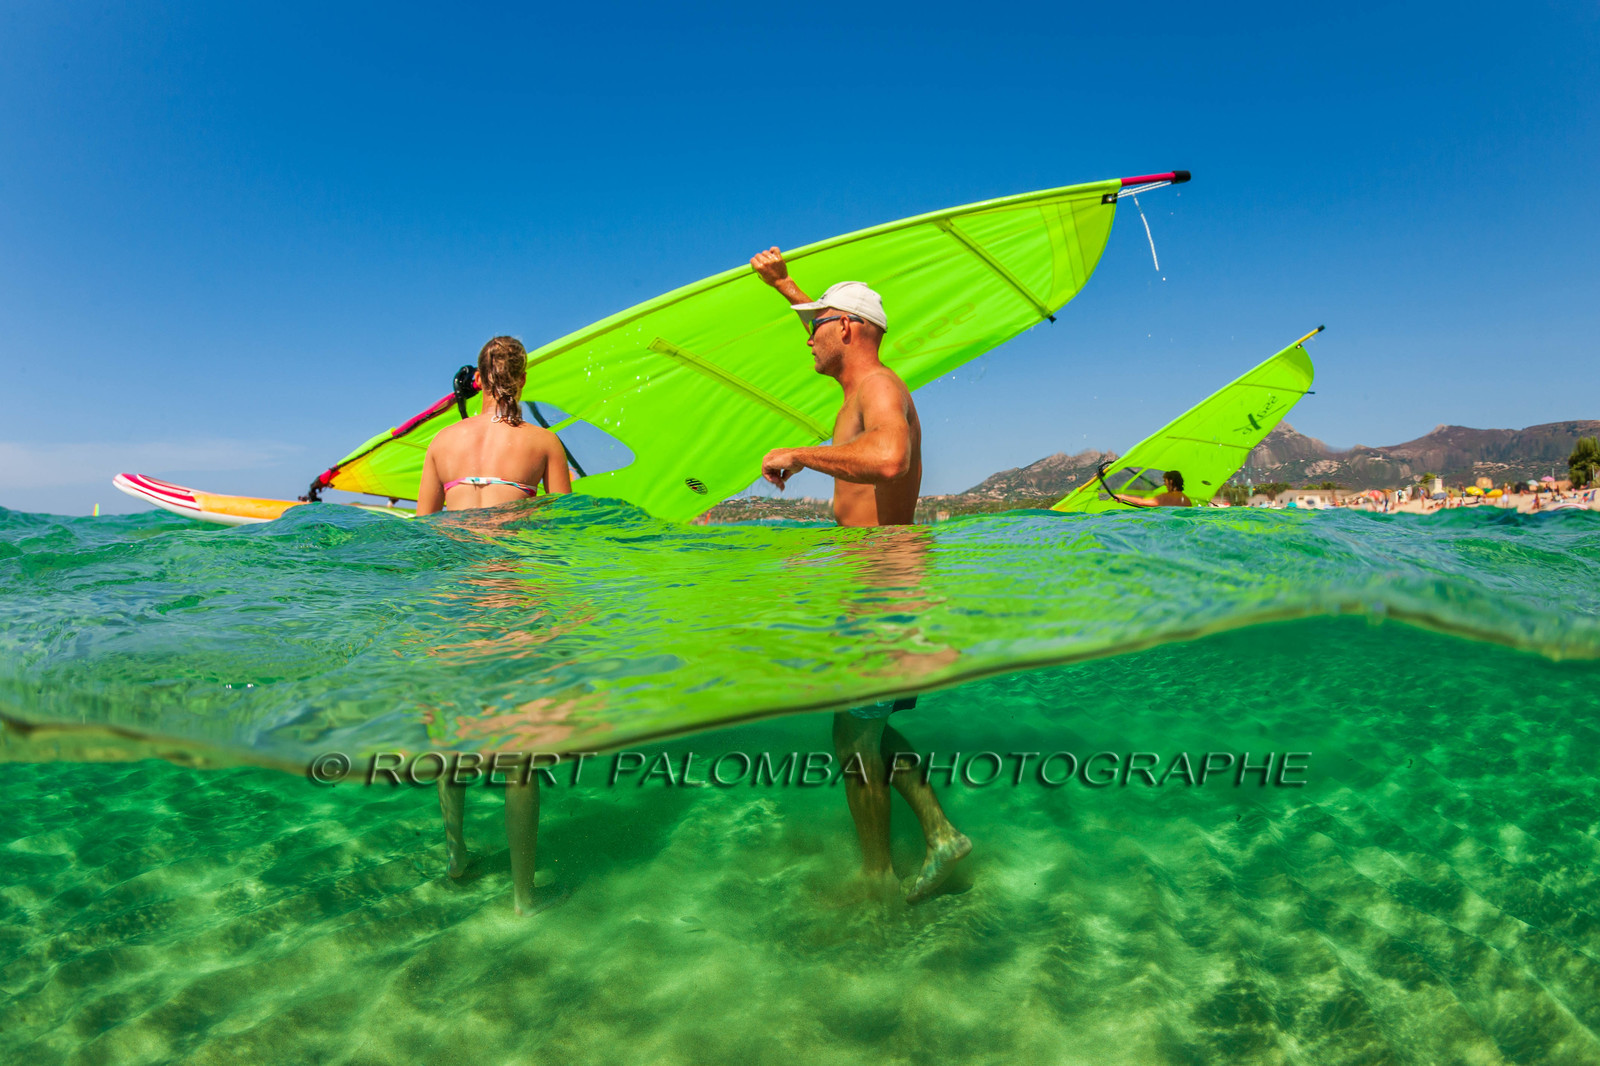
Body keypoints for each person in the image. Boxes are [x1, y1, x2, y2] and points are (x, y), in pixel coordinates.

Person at [750, 247, 970, 903]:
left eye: (817, 325)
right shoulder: (860, 387)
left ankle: (877, 883)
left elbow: (891, 457)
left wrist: (802, 454)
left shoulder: (879, 388)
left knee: (851, 739)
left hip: (880, 587)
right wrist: (784, 286)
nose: (807, 337)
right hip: (875, 580)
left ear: (847, 328)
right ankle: (939, 832)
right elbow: (822, 325)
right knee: (863, 729)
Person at [419, 335, 572, 915]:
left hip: (452, 605)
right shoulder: (543, 442)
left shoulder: (442, 442)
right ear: (523, 380)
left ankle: (457, 860)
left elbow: (424, 532)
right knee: (520, 754)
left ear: (477, 379)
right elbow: (563, 534)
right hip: (513, 607)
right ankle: (523, 898)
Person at [1103, 467, 1192, 507]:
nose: (1164, 484)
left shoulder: (1166, 497)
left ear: (1171, 481)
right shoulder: (1187, 500)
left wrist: (1122, 496)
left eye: (1165, 481)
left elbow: (1142, 502)